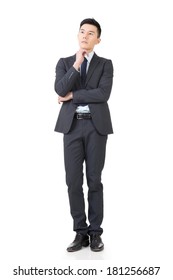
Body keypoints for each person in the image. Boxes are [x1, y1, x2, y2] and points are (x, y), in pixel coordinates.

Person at [54, 18, 114, 252]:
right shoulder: (65, 62)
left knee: (94, 180)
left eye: (91, 33)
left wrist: (73, 96)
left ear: (98, 39)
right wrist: (77, 64)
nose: (85, 36)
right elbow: (60, 89)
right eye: (82, 32)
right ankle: (80, 232)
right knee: (72, 181)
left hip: (96, 127)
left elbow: (103, 94)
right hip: (71, 127)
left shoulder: (105, 64)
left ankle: (95, 233)